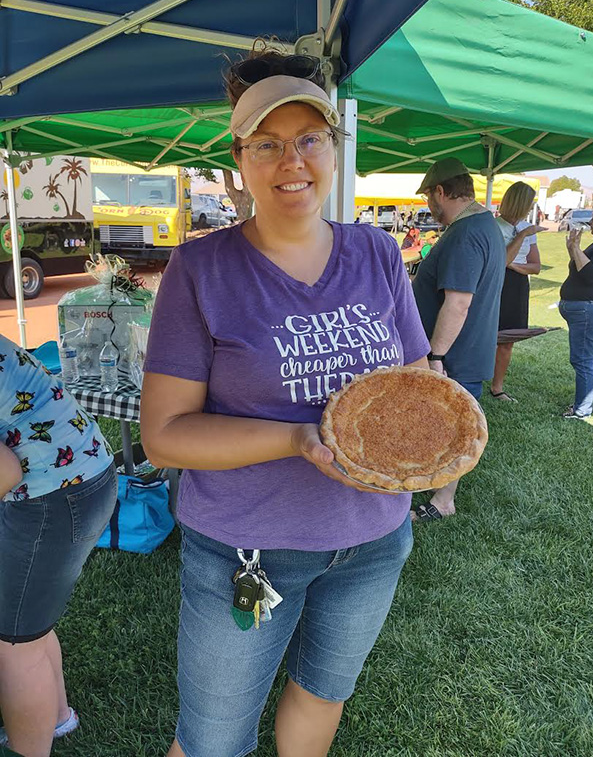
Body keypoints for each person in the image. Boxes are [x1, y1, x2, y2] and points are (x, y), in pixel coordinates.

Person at [140, 47, 431, 757]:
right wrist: (300, 439)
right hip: (246, 550)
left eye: (308, 139)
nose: (290, 161)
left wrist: (427, 448)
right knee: (211, 739)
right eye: (267, 144)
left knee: (323, 692)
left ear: (333, 147)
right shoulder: (202, 268)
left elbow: (415, 383)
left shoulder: (377, 252)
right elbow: (165, 437)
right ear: (240, 158)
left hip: (373, 539)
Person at [0, 333, 117, 757]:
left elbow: (5, 471)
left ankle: (28, 747)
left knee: (12, 645)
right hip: (82, 476)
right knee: (26, 624)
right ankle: (56, 717)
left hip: (52, 494)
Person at [410, 158, 505, 522]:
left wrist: (435, 355)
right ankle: (432, 483)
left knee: (452, 430)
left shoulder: (466, 233)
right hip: (468, 350)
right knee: (445, 427)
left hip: (455, 356)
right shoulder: (485, 224)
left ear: (440, 191)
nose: (428, 207)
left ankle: (442, 501)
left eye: (429, 198)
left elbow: (459, 301)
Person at [491, 182, 546, 402]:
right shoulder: (494, 226)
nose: (530, 208)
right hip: (496, 284)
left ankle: (497, 387)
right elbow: (501, 259)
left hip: (517, 286)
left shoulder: (528, 228)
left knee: (508, 338)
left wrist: (514, 267)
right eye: (529, 203)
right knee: (487, 335)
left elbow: (536, 267)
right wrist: (521, 236)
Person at [558, 203, 593, 419]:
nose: (592, 221)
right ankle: (582, 404)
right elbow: (577, 268)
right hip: (581, 309)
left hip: (588, 310)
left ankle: (582, 409)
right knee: (582, 359)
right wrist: (572, 249)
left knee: (583, 359)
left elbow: (592, 276)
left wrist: (575, 249)